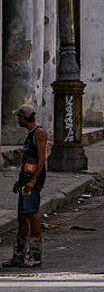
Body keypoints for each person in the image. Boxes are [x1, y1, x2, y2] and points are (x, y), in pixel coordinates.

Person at [4, 105, 47, 268]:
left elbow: (42, 159)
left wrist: (33, 181)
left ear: (24, 118)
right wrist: (20, 181)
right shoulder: (31, 134)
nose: (17, 120)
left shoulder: (39, 133)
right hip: (26, 179)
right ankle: (19, 256)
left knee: (32, 214)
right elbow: (28, 161)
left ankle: (35, 255)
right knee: (22, 217)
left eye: (19, 117)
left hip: (33, 180)